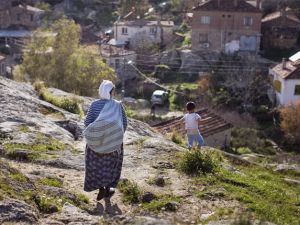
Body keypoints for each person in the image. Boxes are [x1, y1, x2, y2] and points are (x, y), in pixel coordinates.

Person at [84, 80, 127, 201]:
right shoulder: (117, 105)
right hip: (113, 142)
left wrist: (97, 133)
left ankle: (100, 188)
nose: (114, 92)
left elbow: (87, 122)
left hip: (95, 143)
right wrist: (114, 136)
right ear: (110, 91)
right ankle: (109, 188)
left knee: (96, 165)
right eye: (113, 90)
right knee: (112, 165)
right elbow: (124, 123)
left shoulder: (94, 105)